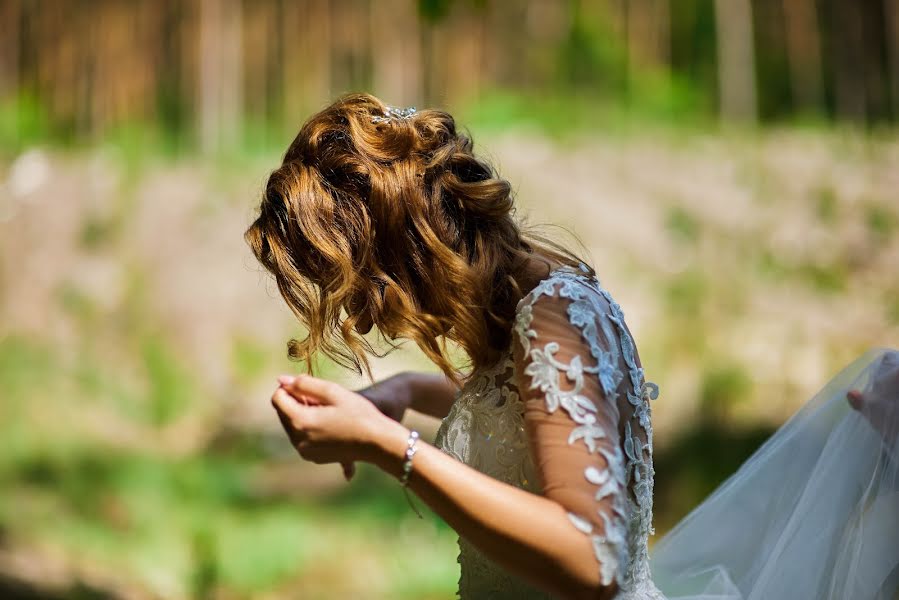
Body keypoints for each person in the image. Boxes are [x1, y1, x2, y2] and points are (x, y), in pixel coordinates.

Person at [244, 93, 899, 599]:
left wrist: (388, 447)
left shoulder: (554, 317)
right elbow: (535, 422)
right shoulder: (530, 309)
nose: (357, 317)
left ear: (397, 246)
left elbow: (592, 560)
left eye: (346, 283)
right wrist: (409, 392)